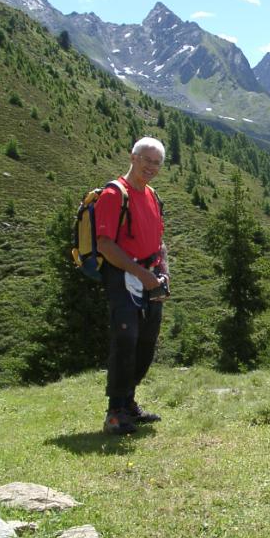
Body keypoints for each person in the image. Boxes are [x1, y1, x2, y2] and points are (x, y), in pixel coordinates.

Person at [94, 137, 170, 435]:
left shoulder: (151, 195)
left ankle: (129, 403)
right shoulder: (115, 194)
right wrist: (141, 273)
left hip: (151, 278)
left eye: (157, 163)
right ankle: (115, 412)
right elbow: (104, 244)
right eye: (146, 160)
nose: (151, 167)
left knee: (146, 342)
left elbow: (159, 241)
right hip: (123, 276)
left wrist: (163, 274)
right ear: (133, 157)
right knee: (126, 340)